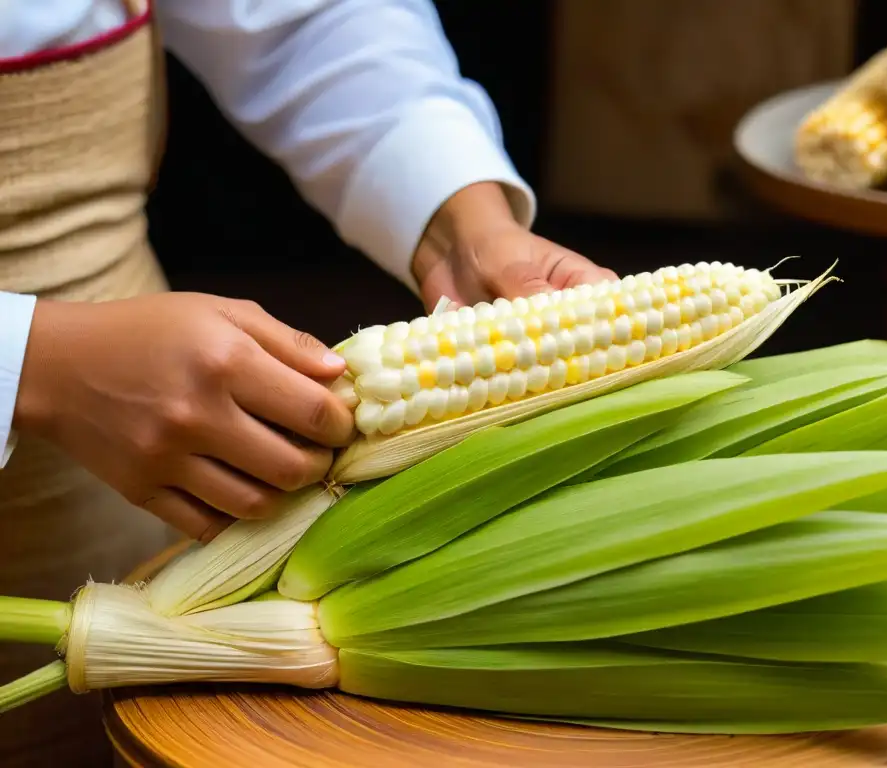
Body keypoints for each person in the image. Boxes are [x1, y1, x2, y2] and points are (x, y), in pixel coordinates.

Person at [0, 2, 616, 765]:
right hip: (111, 381)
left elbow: (301, 16)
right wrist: (31, 360)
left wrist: (465, 225)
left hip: (134, 476)